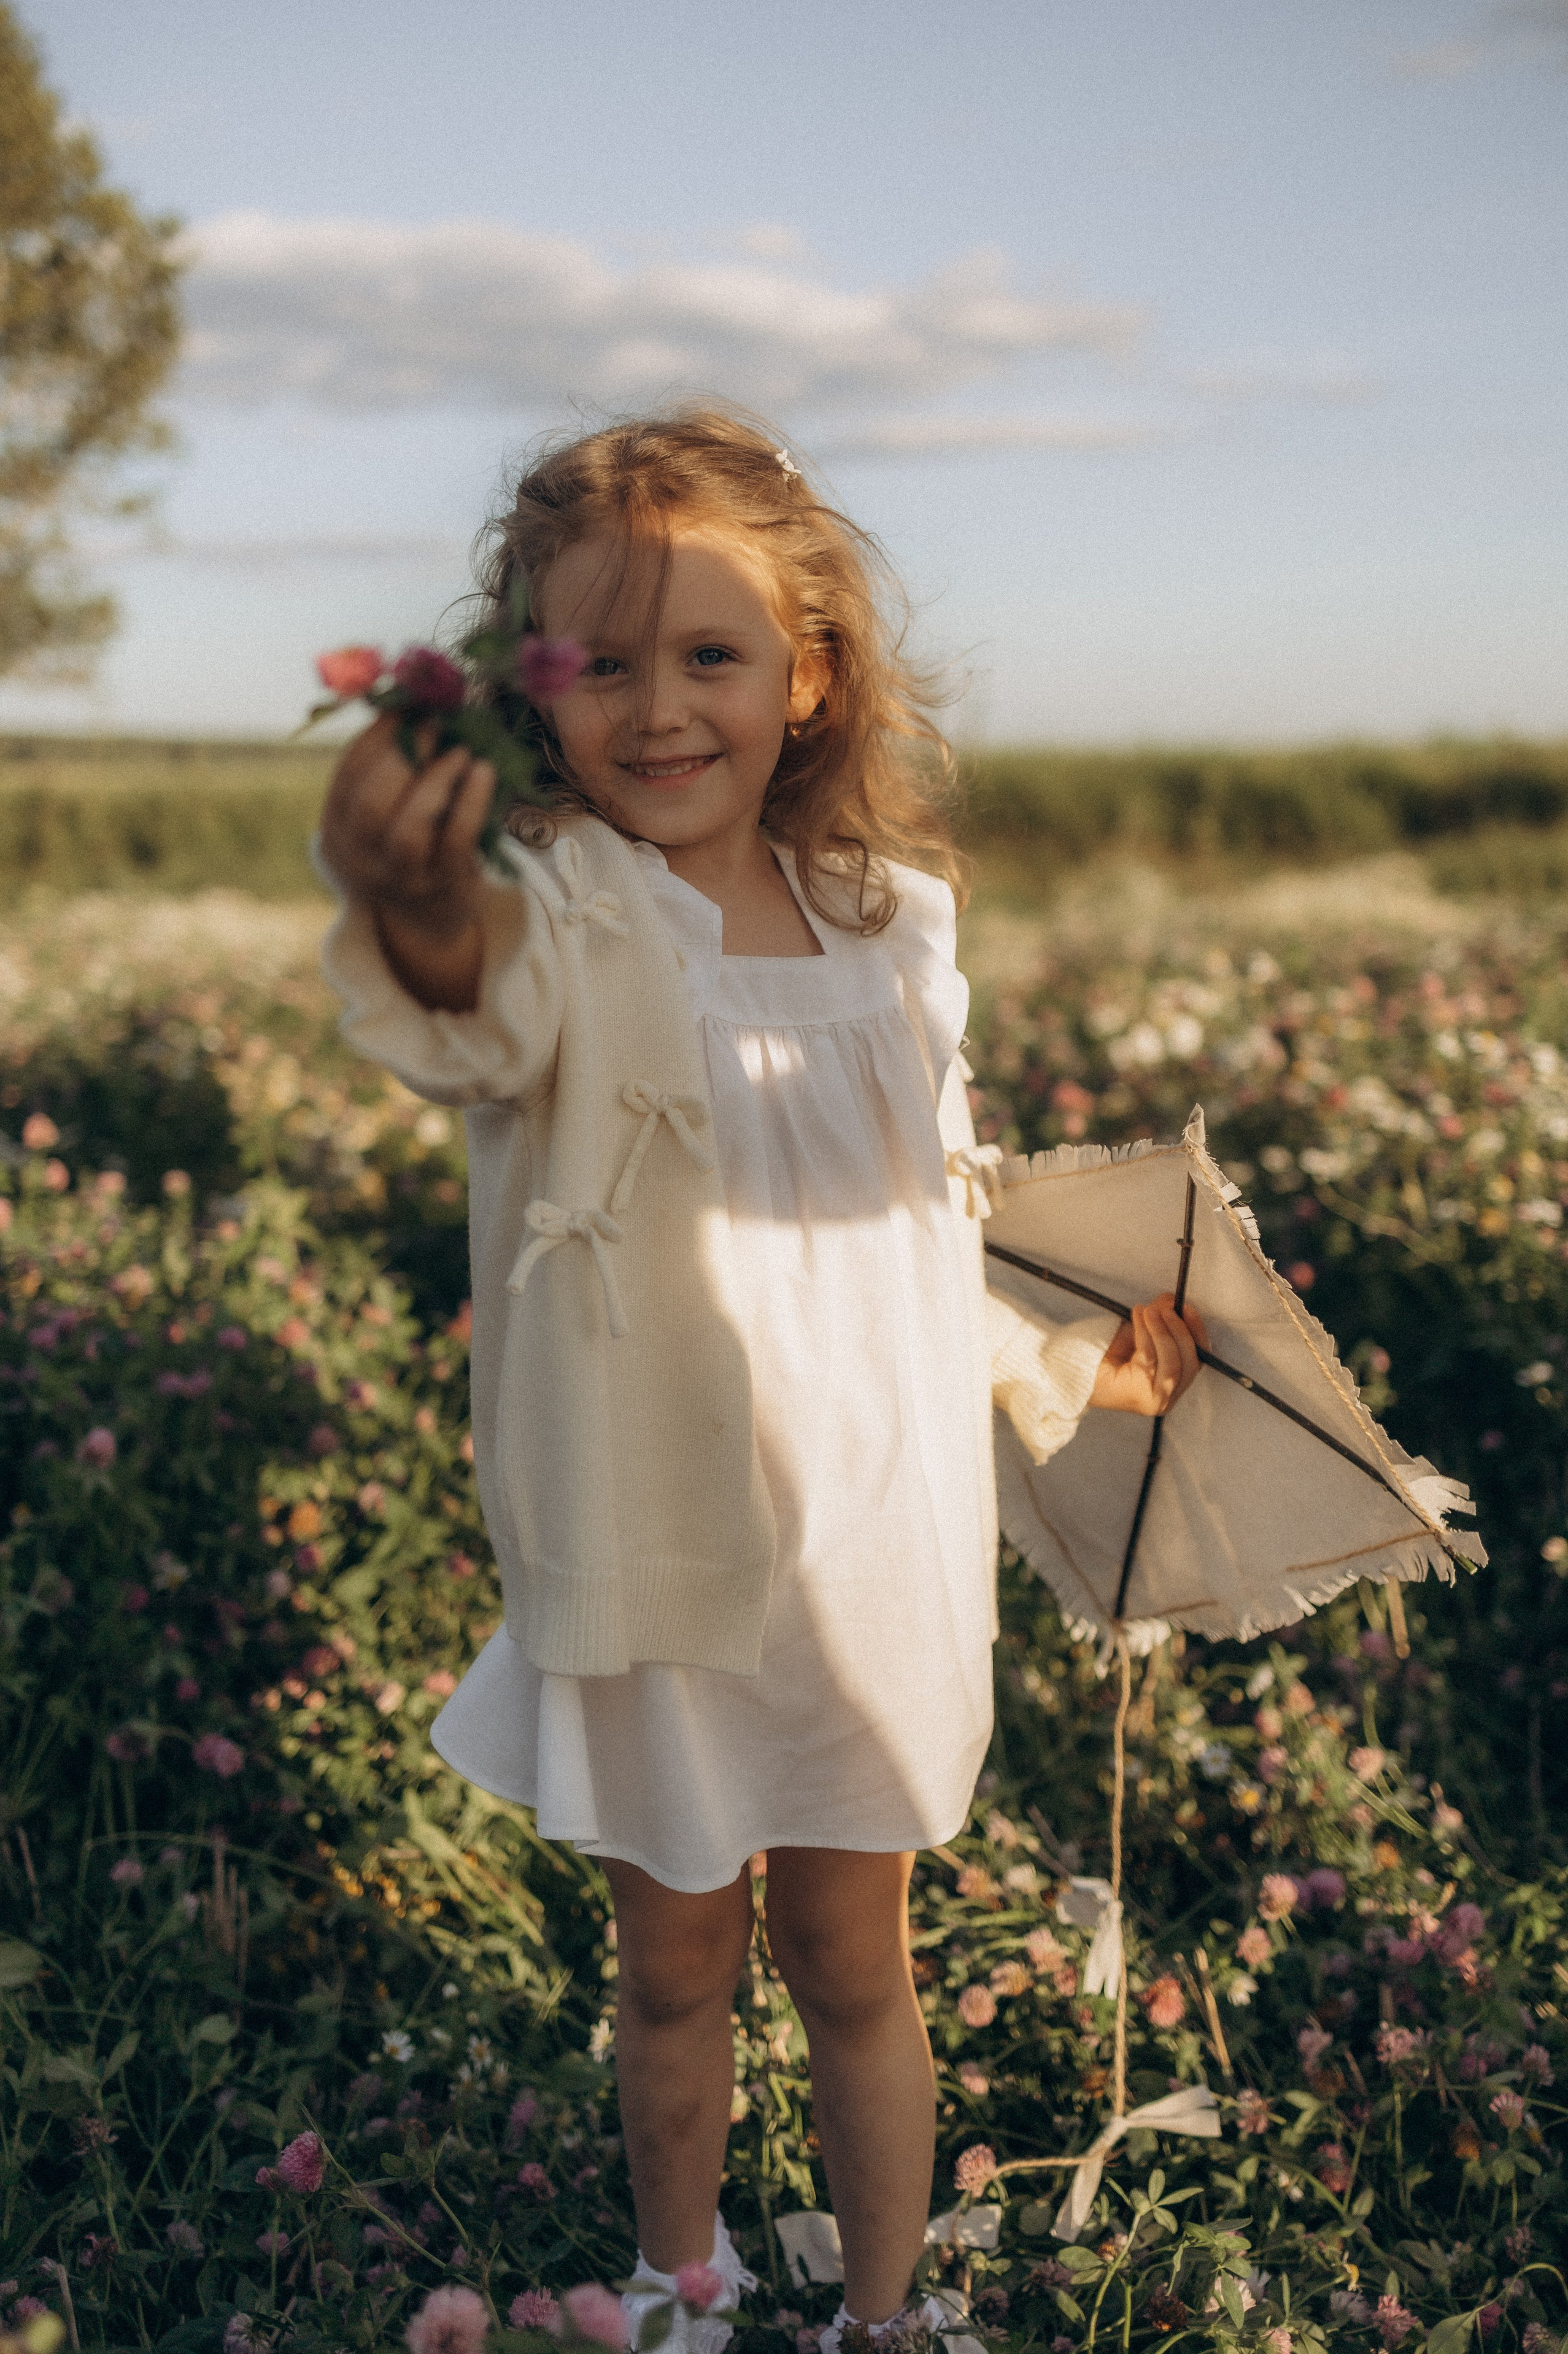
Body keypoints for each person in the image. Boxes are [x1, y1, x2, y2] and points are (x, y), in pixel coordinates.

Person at [316, 406, 1205, 2353]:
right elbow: (470, 1006)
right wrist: (410, 895)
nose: (657, 708)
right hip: (668, 1554)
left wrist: (1064, 1370)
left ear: (806, 676)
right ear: (525, 700)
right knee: (675, 1970)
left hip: (878, 1556)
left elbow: (912, 1246)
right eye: (598, 664)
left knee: (855, 1959)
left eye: (708, 655)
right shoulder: (566, 912)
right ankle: (680, 2287)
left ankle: (885, 2317)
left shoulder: (897, 937)